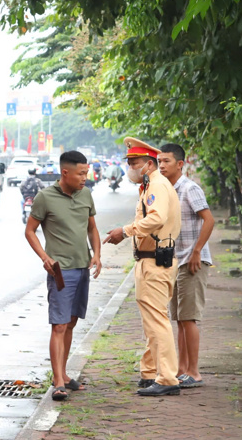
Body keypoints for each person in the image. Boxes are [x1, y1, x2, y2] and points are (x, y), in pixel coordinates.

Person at [104, 137, 182, 396]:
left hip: (155, 261)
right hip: (150, 259)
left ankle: (168, 378)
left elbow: (156, 218)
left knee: (158, 321)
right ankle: (150, 372)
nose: (130, 167)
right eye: (128, 162)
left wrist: (125, 231)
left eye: (134, 162)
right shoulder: (153, 185)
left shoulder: (157, 186)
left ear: (149, 164)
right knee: (152, 321)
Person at [24, 150, 102, 402]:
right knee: (58, 324)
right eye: (81, 173)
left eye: (86, 173)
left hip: (82, 268)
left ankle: (65, 374)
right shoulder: (44, 197)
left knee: (70, 323)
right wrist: (45, 258)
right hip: (61, 271)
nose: (85, 177)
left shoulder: (86, 194)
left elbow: (92, 228)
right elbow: (30, 231)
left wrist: (97, 255)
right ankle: (57, 381)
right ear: (65, 172)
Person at [156, 143, 215, 388]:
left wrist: (197, 252)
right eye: (159, 161)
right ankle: (181, 370)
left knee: (189, 318)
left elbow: (209, 220)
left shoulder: (189, 188)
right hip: (175, 261)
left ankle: (194, 372)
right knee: (178, 318)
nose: (162, 166)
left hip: (193, 261)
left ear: (180, 164)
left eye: (166, 161)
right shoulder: (165, 190)